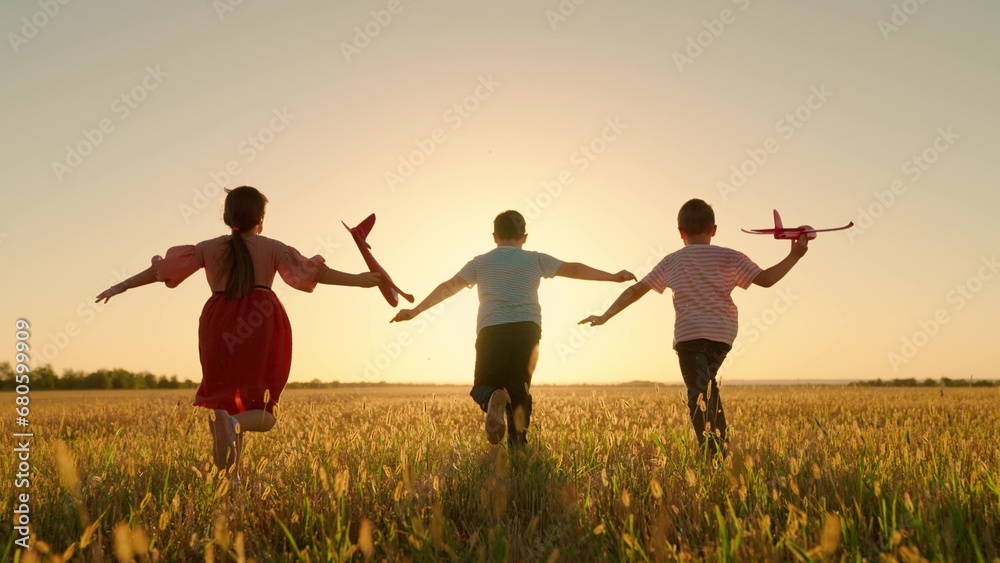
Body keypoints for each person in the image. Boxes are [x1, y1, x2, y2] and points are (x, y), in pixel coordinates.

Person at [95, 186, 382, 482]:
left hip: (218, 322)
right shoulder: (273, 247)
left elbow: (161, 273)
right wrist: (359, 281)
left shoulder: (206, 248)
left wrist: (121, 286)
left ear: (227, 216)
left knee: (227, 400)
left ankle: (233, 474)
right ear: (261, 219)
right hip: (262, 323)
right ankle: (231, 426)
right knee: (262, 413)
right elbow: (311, 274)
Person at [579, 199, 809, 456]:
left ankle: (715, 455)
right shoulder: (731, 256)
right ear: (714, 229)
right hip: (722, 336)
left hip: (689, 337)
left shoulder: (672, 261)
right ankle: (718, 451)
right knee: (706, 389)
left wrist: (604, 316)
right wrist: (794, 255)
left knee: (698, 395)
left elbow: (635, 291)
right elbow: (766, 280)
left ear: (680, 232)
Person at [390, 210, 635, 446]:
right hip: (528, 330)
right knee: (520, 390)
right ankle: (518, 445)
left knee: (483, 387)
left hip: (492, 329)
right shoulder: (536, 259)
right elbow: (574, 269)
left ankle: (491, 397)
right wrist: (613, 276)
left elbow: (449, 286)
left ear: (494, 236)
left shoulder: (480, 262)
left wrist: (415, 311)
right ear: (524, 237)